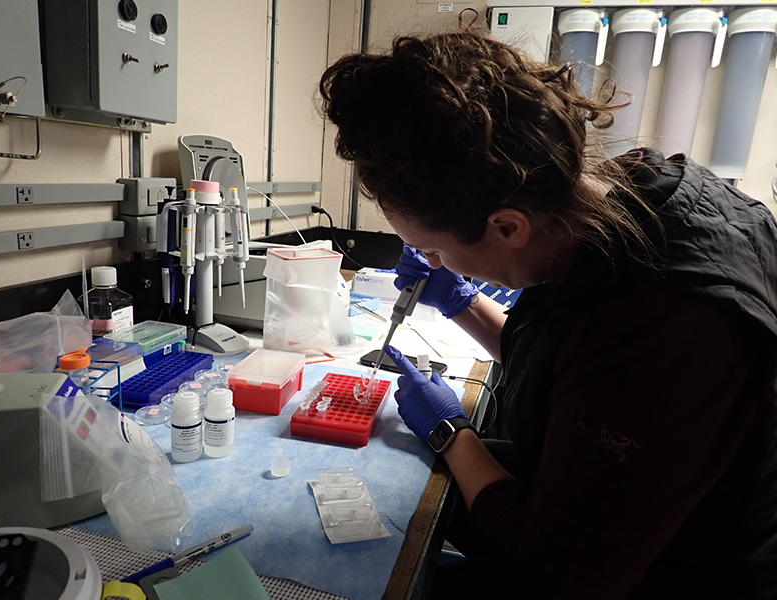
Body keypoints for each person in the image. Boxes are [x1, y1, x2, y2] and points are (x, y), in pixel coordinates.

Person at [319, 32, 777, 599]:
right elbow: (575, 368)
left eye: (433, 250)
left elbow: (557, 576)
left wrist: (451, 433)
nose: (433, 262)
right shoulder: (616, 199)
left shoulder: (667, 323)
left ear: (507, 226)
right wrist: (462, 302)